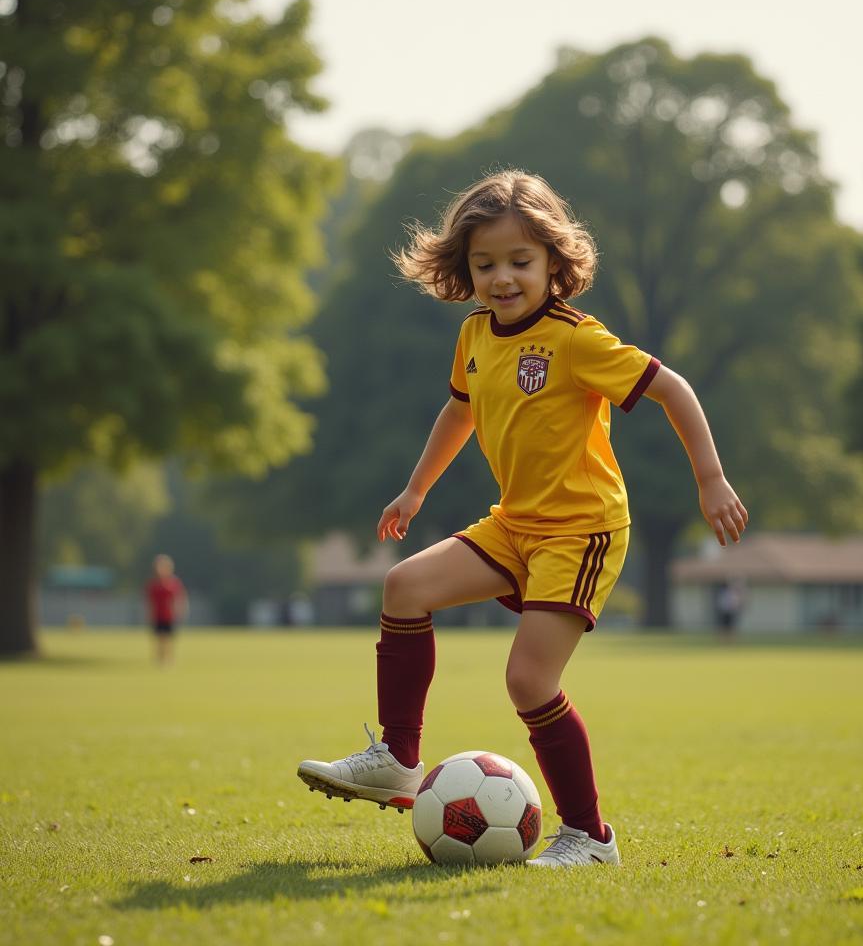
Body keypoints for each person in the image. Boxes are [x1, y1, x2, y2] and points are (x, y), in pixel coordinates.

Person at [297, 171, 748, 867]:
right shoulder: (476, 332)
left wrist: (711, 478)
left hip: (583, 529)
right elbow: (460, 409)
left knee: (529, 684)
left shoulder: (577, 339)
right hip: (514, 524)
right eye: (485, 264)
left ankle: (591, 838)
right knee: (404, 588)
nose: (502, 277)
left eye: (519, 262)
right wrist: (415, 490)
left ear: (553, 264)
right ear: (464, 269)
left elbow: (672, 388)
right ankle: (398, 761)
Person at [145, 554, 188, 665]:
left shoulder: (173, 583)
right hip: (157, 615)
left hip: (169, 615)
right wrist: (149, 614)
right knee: (159, 638)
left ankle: (169, 659)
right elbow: (150, 602)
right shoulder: (153, 584)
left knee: (169, 638)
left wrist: (180, 610)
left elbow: (179, 598)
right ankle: (160, 658)